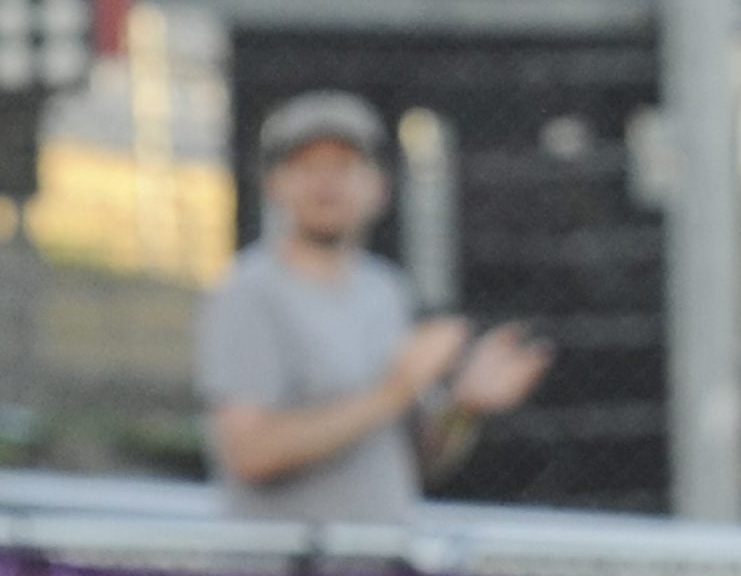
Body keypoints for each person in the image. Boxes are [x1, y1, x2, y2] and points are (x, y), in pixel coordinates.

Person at [198, 92, 550, 523]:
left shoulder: (385, 291)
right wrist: (395, 389)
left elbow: (406, 464)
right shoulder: (247, 294)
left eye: (344, 166)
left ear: (379, 186)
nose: (326, 183)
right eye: (307, 166)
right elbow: (250, 454)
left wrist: (464, 404)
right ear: (273, 184)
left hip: (377, 570)